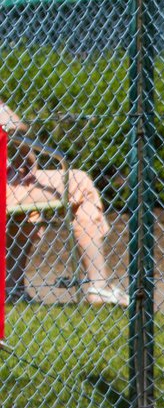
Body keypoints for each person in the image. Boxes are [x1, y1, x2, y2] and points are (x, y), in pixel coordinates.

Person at [1, 99, 128, 308]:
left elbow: (13, 124)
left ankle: (12, 288)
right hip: (6, 186)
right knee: (80, 186)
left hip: (11, 180)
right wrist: (25, 149)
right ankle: (98, 286)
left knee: (45, 193)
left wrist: (24, 151)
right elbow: (12, 124)